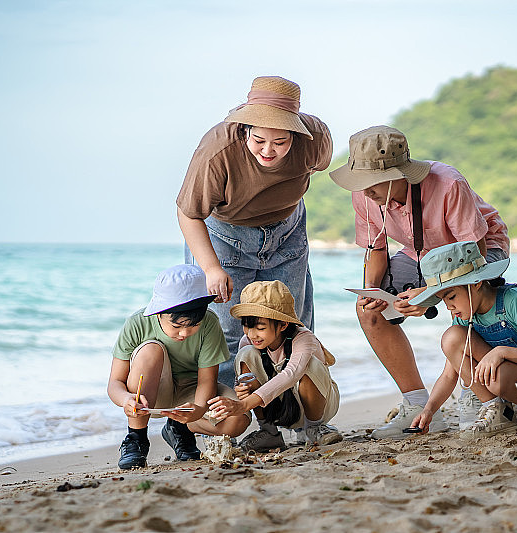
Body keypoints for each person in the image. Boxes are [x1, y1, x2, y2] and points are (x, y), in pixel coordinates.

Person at [329, 125, 510, 439]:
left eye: (369, 182)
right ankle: (417, 404)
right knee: (369, 311)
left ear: (399, 175)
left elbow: (474, 256)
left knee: (464, 301)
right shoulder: (365, 196)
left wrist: (431, 293)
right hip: (420, 252)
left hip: (480, 250)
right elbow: (377, 248)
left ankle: (474, 390)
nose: (363, 190)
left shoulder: (448, 184)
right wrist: (373, 292)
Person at [176, 76, 333, 387]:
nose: (268, 152)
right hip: (224, 236)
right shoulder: (217, 149)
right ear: (245, 128)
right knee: (227, 335)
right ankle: (222, 424)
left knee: (288, 328)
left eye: (280, 142)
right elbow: (188, 213)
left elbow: (318, 166)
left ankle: (298, 425)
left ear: (295, 133)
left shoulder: (314, 138)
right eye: (259, 140)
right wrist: (211, 268)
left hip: (287, 233)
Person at [408, 241, 517, 443]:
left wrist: (501, 352)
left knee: (497, 378)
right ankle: (498, 411)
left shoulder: (515, 301)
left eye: (452, 296)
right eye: (444, 300)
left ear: (476, 283)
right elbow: (449, 374)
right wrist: (429, 410)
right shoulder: (465, 316)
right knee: (452, 337)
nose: (449, 307)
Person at [107, 265, 251, 470]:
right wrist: (125, 400)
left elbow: (207, 380)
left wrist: (199, 409)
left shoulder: (209, 323)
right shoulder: (137, 323)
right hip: (152, 394)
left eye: (192, 326)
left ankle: (179, 428)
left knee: (238, 420)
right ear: (159, 313)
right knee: (151, 350)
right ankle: (136, 439)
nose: (184, 333)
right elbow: (114, 383)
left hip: (191, 392)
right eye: (177, 326)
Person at [207, 280, 342, 451]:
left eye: (260, 327)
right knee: (245, 354)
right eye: (247, 327)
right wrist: (241, 391)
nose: (252, 334)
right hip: (278, 406)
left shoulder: (304, 338)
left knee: (310, 365)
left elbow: (291, 374)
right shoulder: (248, 342)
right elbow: (244, 379)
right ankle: (269, 431)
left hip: (316, 405)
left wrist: (244, 405)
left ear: (283, 324)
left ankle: (315, 429)